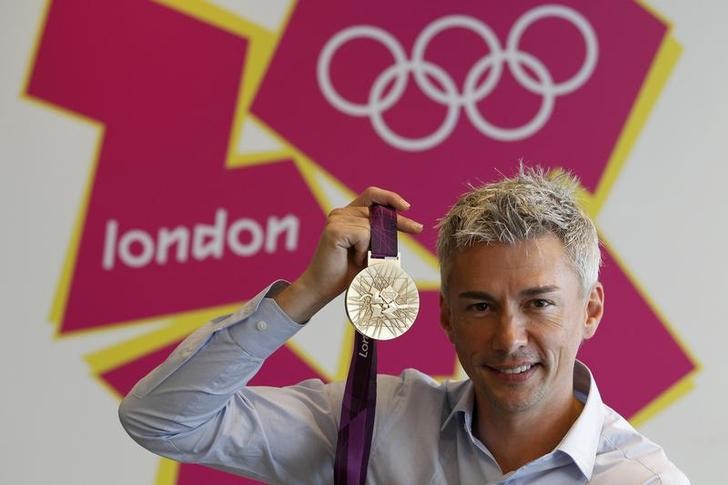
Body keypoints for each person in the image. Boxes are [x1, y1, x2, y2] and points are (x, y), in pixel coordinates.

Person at [119, 166, 689, 484]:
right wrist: (305, 295)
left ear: (589, 310)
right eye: (480, 306)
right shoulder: (372, 425)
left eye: (539, 304)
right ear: (446, 316)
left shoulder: (641, 481)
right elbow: (161, 419)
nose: (509, 338)